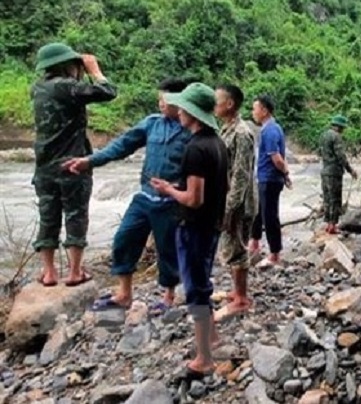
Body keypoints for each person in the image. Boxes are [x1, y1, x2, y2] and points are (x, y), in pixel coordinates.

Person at [65, 78, 192, 311]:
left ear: (179, 102)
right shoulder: (152, 124)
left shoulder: (191, 130)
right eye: (159, 99)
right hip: (145, 195)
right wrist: (89, 161)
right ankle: (124, 293)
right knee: (124, 239)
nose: (160, 103)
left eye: (164, 99)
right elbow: (122, 146)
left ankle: (169, 296)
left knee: (167, 249)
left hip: (171, 200)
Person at [150, 82, 228, 379]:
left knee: (195, 289)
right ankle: (213, 337)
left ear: (192, 113)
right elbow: (224, 186)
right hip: (212, 226)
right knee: (202, 280)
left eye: (182, 107)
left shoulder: (194, 148)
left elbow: (194, 199)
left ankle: (204, 358)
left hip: (194, 227)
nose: (178, 111)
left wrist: (169, 189)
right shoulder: (217, 142)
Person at [31, 43, 117, 287]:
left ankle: (48, 273)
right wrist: (93, 69)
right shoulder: (67, 86)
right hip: (73, 164)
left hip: (44, 167)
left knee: (47, 218)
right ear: (66, 65)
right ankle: (75, 272)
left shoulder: (37, 88)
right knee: (76, 216)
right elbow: (108, 91)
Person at [213, 84, 257, 319]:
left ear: (229, 104)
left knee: (238, 246)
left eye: (217, 99)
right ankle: (236, 291)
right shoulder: (226, 129)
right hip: (229, 199)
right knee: (230, 244)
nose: (214, 104)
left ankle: (241, 298)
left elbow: (241, 175)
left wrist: (230, 209)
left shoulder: (242, 133)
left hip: (240, 203)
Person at [251, 95, 291, 266]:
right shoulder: (268, 129)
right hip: (264, 177)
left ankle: (275, 253)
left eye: (255, 109)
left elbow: (277, 158)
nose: (253, 112)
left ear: (264, 111)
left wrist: (286, 173)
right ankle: (255, 243)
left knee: (269, 215)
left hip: (270, 179)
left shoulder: (271, 130)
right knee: (258, 212)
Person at [319, 115, 358, 234]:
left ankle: (327, 223)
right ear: (340, 127)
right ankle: (333, 226)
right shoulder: (336, 137)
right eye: (343, 128)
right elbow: (341, 156)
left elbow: (319, 152)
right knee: (335, 199)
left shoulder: (323, 135)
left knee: (327, 199)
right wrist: (350, 170)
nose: (343, 130)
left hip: (324, 171)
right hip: (334, 173)